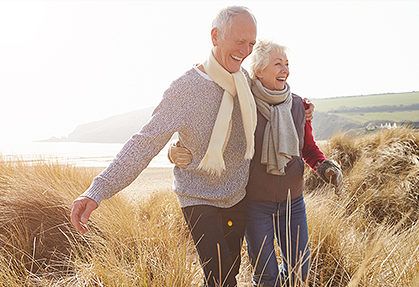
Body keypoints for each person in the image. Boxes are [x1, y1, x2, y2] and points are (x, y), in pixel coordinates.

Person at [71, 6, 258, 287]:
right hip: (197, 194)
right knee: (221, 277)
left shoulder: (245, 82)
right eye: (239, 41)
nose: (245, 51)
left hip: (237, 193)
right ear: (215, 36)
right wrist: (98, 189)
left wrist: (301, 110)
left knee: (227, 274)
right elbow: (145, 141)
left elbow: (275, 103)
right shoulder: (184, 89)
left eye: (251, 44)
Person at [169, 40, 342, 286]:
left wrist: (325, 166)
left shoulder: (298, 106)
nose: (285, 70)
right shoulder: (242, 104)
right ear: (258, 71)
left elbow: (308, 148)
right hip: (254, 206)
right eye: (278, 64)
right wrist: (175, 150)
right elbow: (212, 137)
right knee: (265, 276)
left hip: (293, 203)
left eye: (287, 64)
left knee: (298, 273)